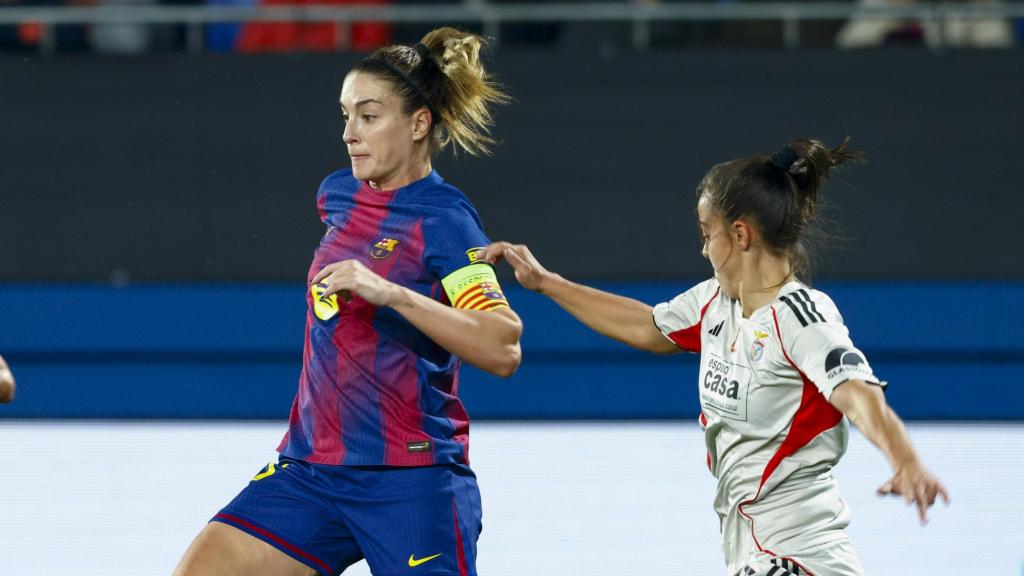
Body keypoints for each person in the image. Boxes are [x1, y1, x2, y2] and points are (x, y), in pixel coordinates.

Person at [483, 139, 949, 576]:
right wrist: (547, 284)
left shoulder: (802, 318)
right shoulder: (713, 304)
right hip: (750, 552)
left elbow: (858, 394)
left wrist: (904, 460)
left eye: (708, 234)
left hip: (797, 557)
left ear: (740, 235)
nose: (704, 248)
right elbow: (648, 327)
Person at [174, 27, 521, 576]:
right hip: (311, 469)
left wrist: (390, 292)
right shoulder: (339, 194)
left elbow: (504, 347)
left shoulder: (447, 221)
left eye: (368, 115)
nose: (349, 133)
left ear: (418, 123)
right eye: (345, 116)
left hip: (411, 482)